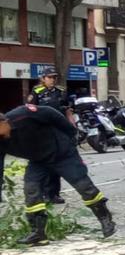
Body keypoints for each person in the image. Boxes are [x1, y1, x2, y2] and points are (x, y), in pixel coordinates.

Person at [0, 105, 115, 245]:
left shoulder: (23, 114)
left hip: (62, 154)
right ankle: (39, 233)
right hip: (38, 161)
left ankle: (105, 219)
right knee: (31, 191)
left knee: (84, 187)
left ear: (4, 122)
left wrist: (71, 134)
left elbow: (49, 112)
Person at [27, 68, 74, 205]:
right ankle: (43, 193)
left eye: (54, 77)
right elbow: (30, 111)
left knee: (56, 164)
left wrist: (71, 127)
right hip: (42, 132)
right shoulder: (36, 92)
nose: (52, 79)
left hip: (58, 131)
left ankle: (54, 194)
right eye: (50, 77)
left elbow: (67, 110)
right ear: (43, 79)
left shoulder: (60, 92)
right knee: (44, 164)